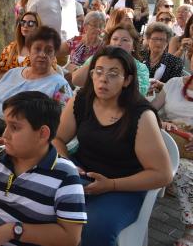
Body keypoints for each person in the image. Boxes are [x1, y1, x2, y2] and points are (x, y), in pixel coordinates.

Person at [53, 46, 173, 246]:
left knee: (92, 227)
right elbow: (57, 139)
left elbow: (163, 174)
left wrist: (112, 184)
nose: (103, 79)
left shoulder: (141, 116)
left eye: (113, 73)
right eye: (98, 71)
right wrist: (69, 165)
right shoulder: (82, 99)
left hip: (124, 185)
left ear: (127, 80)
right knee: (40, 200)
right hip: (82, 174)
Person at [0, 91, 87, 246]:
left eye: (14, 127)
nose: (5, 134)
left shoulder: (65, 176)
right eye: (6, 125)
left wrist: (15, 230)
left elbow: (71, 237)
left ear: (42, 133)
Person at [0, 26, 73, 167]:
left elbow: (56, 128)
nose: (43, 54)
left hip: (11, 145)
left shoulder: (59, 86)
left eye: (49, 51)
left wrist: (14, 140)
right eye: (37, 49)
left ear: (54, 54)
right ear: (29, 50)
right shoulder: (13, 73)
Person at [150, 73, 193, 246]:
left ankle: (191, 227)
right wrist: (161, 122)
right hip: (167, 143)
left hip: (188, 152)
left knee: (184, 171)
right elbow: (149, 110)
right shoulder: (174, 83)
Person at [72, 23, 151, 96]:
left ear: (133, 46)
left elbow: (140, 93)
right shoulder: (96, 59)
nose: (118, 43)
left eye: (125, 40)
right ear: (109, 43)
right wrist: (97, 60)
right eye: (115, 39)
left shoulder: (141, 68)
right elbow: (76, 80)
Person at [0, 12, 41, 76]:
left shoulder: (44, 50)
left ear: (37, 27)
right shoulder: (11, 47)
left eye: (30, 23)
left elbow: (50, 74)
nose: (25, 26)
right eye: (23, 22)